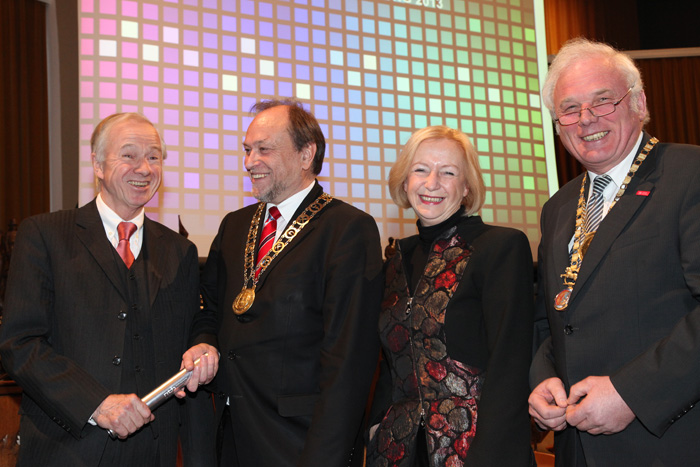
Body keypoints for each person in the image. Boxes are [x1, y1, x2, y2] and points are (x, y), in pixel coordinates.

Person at [0, 113, 219, 467]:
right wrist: (96, 405)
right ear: (98, 165)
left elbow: (193, 331)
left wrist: (203, 343)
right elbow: (19, 344)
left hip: (155, 452)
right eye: (129, 155)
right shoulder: (45, 235)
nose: (144, 168)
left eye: (154, 156)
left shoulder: (180, 251)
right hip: (65, 450)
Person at [529, 38, 700, 466]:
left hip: (669, 445)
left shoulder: (690, 174)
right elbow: (552, 318)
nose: (586, 119)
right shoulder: (558, 208)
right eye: (569, 109)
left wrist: (632, 394)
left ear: (639, 103)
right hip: (577, 449)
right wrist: (542, 378)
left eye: (602, 100)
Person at [200, 99, 384, 466]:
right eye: (247, 150)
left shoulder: (347, 229)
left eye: (264, 149)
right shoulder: (233, 226)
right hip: (231, 435)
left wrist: (324, 456)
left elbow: (348, 360)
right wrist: (203, 341)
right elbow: (210, 310)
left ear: (306, 154)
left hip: (300, 442)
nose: (250, 161)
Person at [366, 126, 535, 466]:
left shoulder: (500, 248)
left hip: (478, 449)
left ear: (467, 186)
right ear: (405, 182)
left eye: (448, 172)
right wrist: (375, 428)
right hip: (398, 450)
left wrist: (488, 456)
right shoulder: (395, 261)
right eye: (420, 170)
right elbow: (392, 362)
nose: (432, 183)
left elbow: (511, 363)